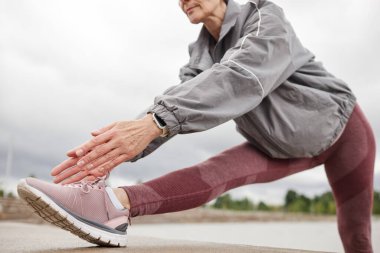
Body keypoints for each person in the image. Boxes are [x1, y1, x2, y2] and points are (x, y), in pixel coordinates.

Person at [17, 0, 375, 252]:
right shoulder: (200, 55)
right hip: (278, 147)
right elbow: (176, 100)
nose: (182, 0)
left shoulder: (267, 17)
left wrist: (156, 121)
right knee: (213, 171)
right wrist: (110, 155)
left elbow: (241, 76)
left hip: (342, 132)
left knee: (356, 236)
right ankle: (109, 207)